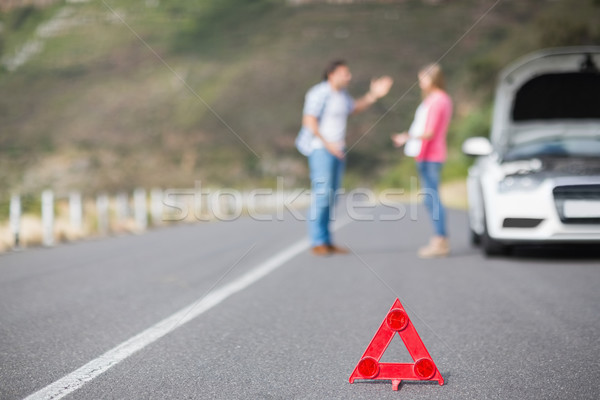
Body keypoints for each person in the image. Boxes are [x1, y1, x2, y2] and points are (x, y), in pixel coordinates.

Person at [301, 60, 393, 256]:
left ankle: (326, 240)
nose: (349, 76)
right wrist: (328, 145)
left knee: (332, 196)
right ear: (331, 74)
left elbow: (354, 108)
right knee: (323, 194)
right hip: (321, 150)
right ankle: (317, 241)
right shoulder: (319, 93)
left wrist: (373, 95)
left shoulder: (342, 96)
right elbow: (309, 120)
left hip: (338, 151)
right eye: (345, 73)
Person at [392, 63, 452, 258]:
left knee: (432, 199)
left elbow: (430, 132)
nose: (420, 83)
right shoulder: (435, 100)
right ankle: (439, 238)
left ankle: (440, 240)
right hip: (426, 155)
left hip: (431, 156)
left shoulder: (438, 100)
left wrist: (407, 137)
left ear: (433, 78)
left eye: (423, 79)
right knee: (429, 198)